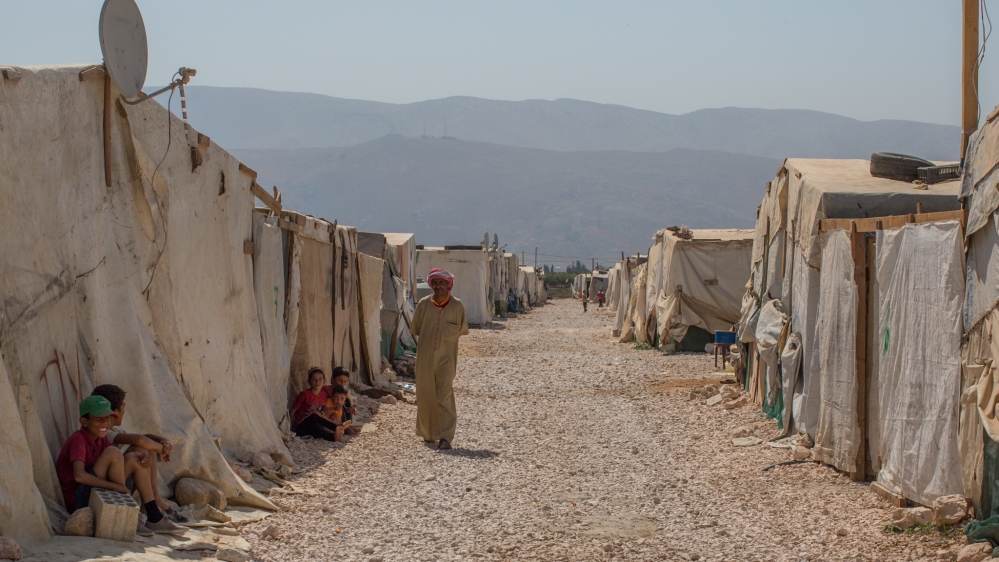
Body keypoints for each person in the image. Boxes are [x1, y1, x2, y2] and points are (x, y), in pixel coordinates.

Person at [55, 396, 182, 534]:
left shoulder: (100, 439)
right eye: (99, 419)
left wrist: (142, 459)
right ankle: (126, 513)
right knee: (113, 452)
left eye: (107, 418)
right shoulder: (78, 439)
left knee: (135, 458)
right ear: (84, 421)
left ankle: (153, 516)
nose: (105, 423)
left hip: (96, 493)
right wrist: (115, 486)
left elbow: (121, 460)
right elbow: (79, 476)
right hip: (79, 503)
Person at [91, 384, 186, 523]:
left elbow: (144, 438)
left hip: (113, 482)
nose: (125, 410)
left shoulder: (113, 431)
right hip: (107, 487)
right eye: (123, 406)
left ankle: (155, 499)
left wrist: (163, 442)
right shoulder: (105, 433)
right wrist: (160, 449)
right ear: (115, 412)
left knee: (146, 448)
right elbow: (139, 440)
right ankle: (151, 505)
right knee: (139, 451)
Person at [410, 268, 468, 449]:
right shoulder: (424, 304)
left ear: (448, 285)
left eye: (442, 283)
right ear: (431, 284)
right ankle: (428, 433)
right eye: (435, 283)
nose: (438, 286)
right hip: (425, 359)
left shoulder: (457, 306)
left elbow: (460, 330)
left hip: (447, 359)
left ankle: (445, 437)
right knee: (426, 395)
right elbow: (417, 328)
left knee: (444, 395)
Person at [290, 368, 348, 442]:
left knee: (317, 428)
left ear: (324, 381)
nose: (317, 382)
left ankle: (333, 437)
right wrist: (291, 428)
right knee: (315, 414)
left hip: (312, 425)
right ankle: (337, 427)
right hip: (300, 426)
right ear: (309, 381)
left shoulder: (323, 395)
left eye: (320, 379)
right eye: (314, 379)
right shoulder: (304, 395)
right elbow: (292, 411)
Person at [329, 367, 362, 435]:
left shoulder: (343, 393)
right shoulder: (328, 391)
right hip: (331, 416)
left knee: (346, 400)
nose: (342, 383)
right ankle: (345, 428)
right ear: (332, 379)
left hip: (339, 416)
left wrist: (349, 409)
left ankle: (346, 425)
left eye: (345, 381)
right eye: (339, 380)